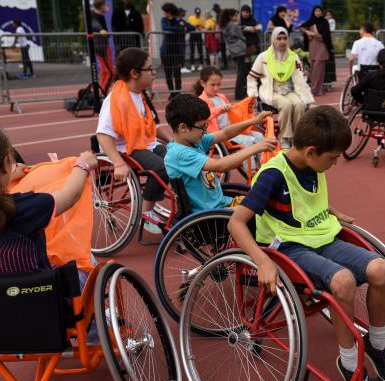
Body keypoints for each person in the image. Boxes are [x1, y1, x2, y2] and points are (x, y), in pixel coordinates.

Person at [227, 106, 385, 381]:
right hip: (290, 249)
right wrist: (262, 260)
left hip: (322, 237)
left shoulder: (312, 165)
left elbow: (304, 201)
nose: (335, 163)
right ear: (310, 151)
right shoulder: (272, 175)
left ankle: (376, 344)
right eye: (332, 158)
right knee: (344, 281)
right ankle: (349, 363)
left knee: (381, 269)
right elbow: (236, 222)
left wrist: (331, 211)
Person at [0, 123, 98, 276]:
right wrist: (83, 164)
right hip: (37, 293)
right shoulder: (23, 207)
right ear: (5, 165)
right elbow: (70, 195)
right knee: (85, 260)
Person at [96, 47, 172, 235]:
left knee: (179, 158)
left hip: (146, 144)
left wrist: (172, 142)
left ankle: (185, 207)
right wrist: (118, 163)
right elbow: (103, 135)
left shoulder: (141, 95)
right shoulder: (116, 99)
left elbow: (152, 126)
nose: (154, 72)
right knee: (161, 167)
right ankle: (145, 213)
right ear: (134, 73)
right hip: (126, 149)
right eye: (149, 68)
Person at [164, 94, 276, 213]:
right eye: (203, 126)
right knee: (264, 209)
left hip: (221, 203)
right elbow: (220, 166)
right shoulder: (179, 154)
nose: (205, 131)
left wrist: (253, 121)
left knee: (267, 200)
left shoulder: (192, 141)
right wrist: (257, 147)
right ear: (183, 128)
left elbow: (225, 134)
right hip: (210, 213)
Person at [247, 27, 314, 148]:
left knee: (299, 104)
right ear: (273, 39)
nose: (282, 41)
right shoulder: (263, 57)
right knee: (286, 104)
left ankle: (297, 137)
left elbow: (301, 79)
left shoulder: (293, 57)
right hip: (270, 91)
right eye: (279, 38)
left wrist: (308, 99)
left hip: (288, 90)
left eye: (285, 38)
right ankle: (285, 137)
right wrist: (253, 95)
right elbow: (251, 78)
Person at [195, 66, 266, 148]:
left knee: (259, 137)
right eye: (212, 85)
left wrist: (246, 109)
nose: (216, 88)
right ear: (203, 83)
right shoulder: (201, 100)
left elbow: (233, 113)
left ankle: (263, 161)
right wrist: (220, 109)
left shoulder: (222, 97)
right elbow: (206, 116)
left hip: (231, 129)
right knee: (248, 141)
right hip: (218, 135)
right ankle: (251, 160)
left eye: (218, 84)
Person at [161, 2, 194, 98]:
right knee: (168, 73)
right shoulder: (164, 20)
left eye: (165, 12)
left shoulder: (179, 20)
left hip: (177, 51)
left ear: (169, 12)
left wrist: (180, 28)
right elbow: (165, 28)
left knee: (177, 73)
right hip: (166, 51)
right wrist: (180, 29)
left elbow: (192, 27)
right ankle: (172, 92)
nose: (164, 14)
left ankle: (178, 92)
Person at [300, 5, 333, 97]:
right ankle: (315, 90)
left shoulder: (325, 22)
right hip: (312, 48)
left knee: (319, 71)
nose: (318, 12)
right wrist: (307, 32)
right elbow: (301, 27)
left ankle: (315, 90)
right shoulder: (311, 21)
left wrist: (314, 34)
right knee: (313, 70)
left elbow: (325, 37)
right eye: (316, 11)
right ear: (313, 12)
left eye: (319, 11)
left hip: (322, 48)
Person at [220, 8, 248, 98]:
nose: (237, 17)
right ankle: (240, 93)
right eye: (235, 15)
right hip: (239, 49)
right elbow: (241, 36)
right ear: (230, 17)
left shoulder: (225, 26)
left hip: (232, 50)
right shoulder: (233, 26)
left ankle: (239, 93)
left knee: (241, 71)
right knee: (241, 73)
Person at [91, 0, 113, 94]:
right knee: (109, 72)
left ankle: (101, 91)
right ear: (101, 6)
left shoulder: (100, 16)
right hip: (101, 47)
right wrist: (101, 30)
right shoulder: (94, 16)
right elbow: (94, 24)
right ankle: (103, 92)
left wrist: (104, 31)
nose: (107, 7)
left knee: (105, 72)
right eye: (105, 5)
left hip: (104, 46)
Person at [187, 7, 206, 71]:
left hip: (198, 34)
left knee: (200, 50)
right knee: (192, 51)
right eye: (197, 13)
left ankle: (201, 64)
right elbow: (188, 26)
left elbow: (204, 27)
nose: (198, 14)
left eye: (199, 13)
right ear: (195, 13)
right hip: (192, 35)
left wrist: (200, 27)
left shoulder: (202, 19)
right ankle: (192, 65)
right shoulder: (190, 18)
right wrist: (193, 26)